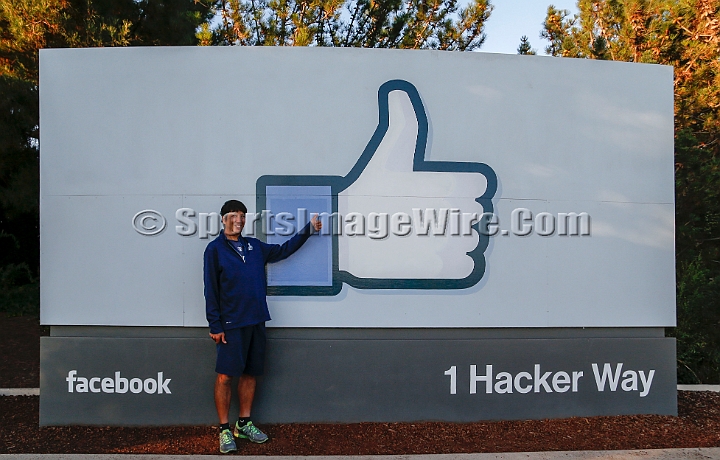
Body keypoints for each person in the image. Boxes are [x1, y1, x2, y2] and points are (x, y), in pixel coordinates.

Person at [204, 199, 321, 454]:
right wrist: (215, 324)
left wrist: (309, 229)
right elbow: (210, 290)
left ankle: (243, 423)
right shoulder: (214, 250)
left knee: (250, 374)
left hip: (256, 320)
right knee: (225, 376)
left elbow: (283, 250)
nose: (239, 219)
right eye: (234, 215)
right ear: (223, 219)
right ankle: (224, 429)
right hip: (231, 324)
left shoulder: (255, 246)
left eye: (243, 216)